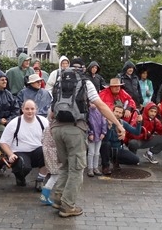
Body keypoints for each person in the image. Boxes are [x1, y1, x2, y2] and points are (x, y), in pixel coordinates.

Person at [49, 68, 125, 218]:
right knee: (77, 168)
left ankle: (58, 199)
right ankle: (68, 206)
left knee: (65, 165)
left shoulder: (59, 84)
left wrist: (51, 128)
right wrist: (118, 124)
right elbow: (101, 106)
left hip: (57, 128)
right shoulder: (86, 83)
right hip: (75, 129)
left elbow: (51, 112)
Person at [0, 100, 49, 186]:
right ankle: (20, 177)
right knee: (23, 165)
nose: (30, 111)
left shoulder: (43, 121)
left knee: (47, 152)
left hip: (38, 151)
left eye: (32, 109)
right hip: (20, 152)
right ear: (22, 109)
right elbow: (3, 142)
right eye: (27, 109)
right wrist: (10, 154)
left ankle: (40, 180)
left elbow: (50, 138)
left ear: (36, 110)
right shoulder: (14, 123)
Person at [100, 105, 141, 174]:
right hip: (107, 148)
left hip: (118, 149)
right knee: (106, 144)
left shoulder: (122, 123)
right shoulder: (105, 121)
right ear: (112, 112)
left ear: (122, 114)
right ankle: (105, 166)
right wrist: (109, 127)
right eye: (116, 111)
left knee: (136, 160)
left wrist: (139, 123)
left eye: (120, 112)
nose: (117, 114)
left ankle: (115, 160)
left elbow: (136, 132)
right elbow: (106, 139)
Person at [87, 103, 107, 177]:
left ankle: (95, 167)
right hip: (92, 135)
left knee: (97, 152)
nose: (93, 104)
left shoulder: (100, 111)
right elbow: (87, 124)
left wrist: (103, 132)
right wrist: (90, 133)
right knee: (91, 152)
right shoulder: (87, 112)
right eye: (91, 103)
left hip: (99, 134)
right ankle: (90, 168)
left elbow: (104, 122)